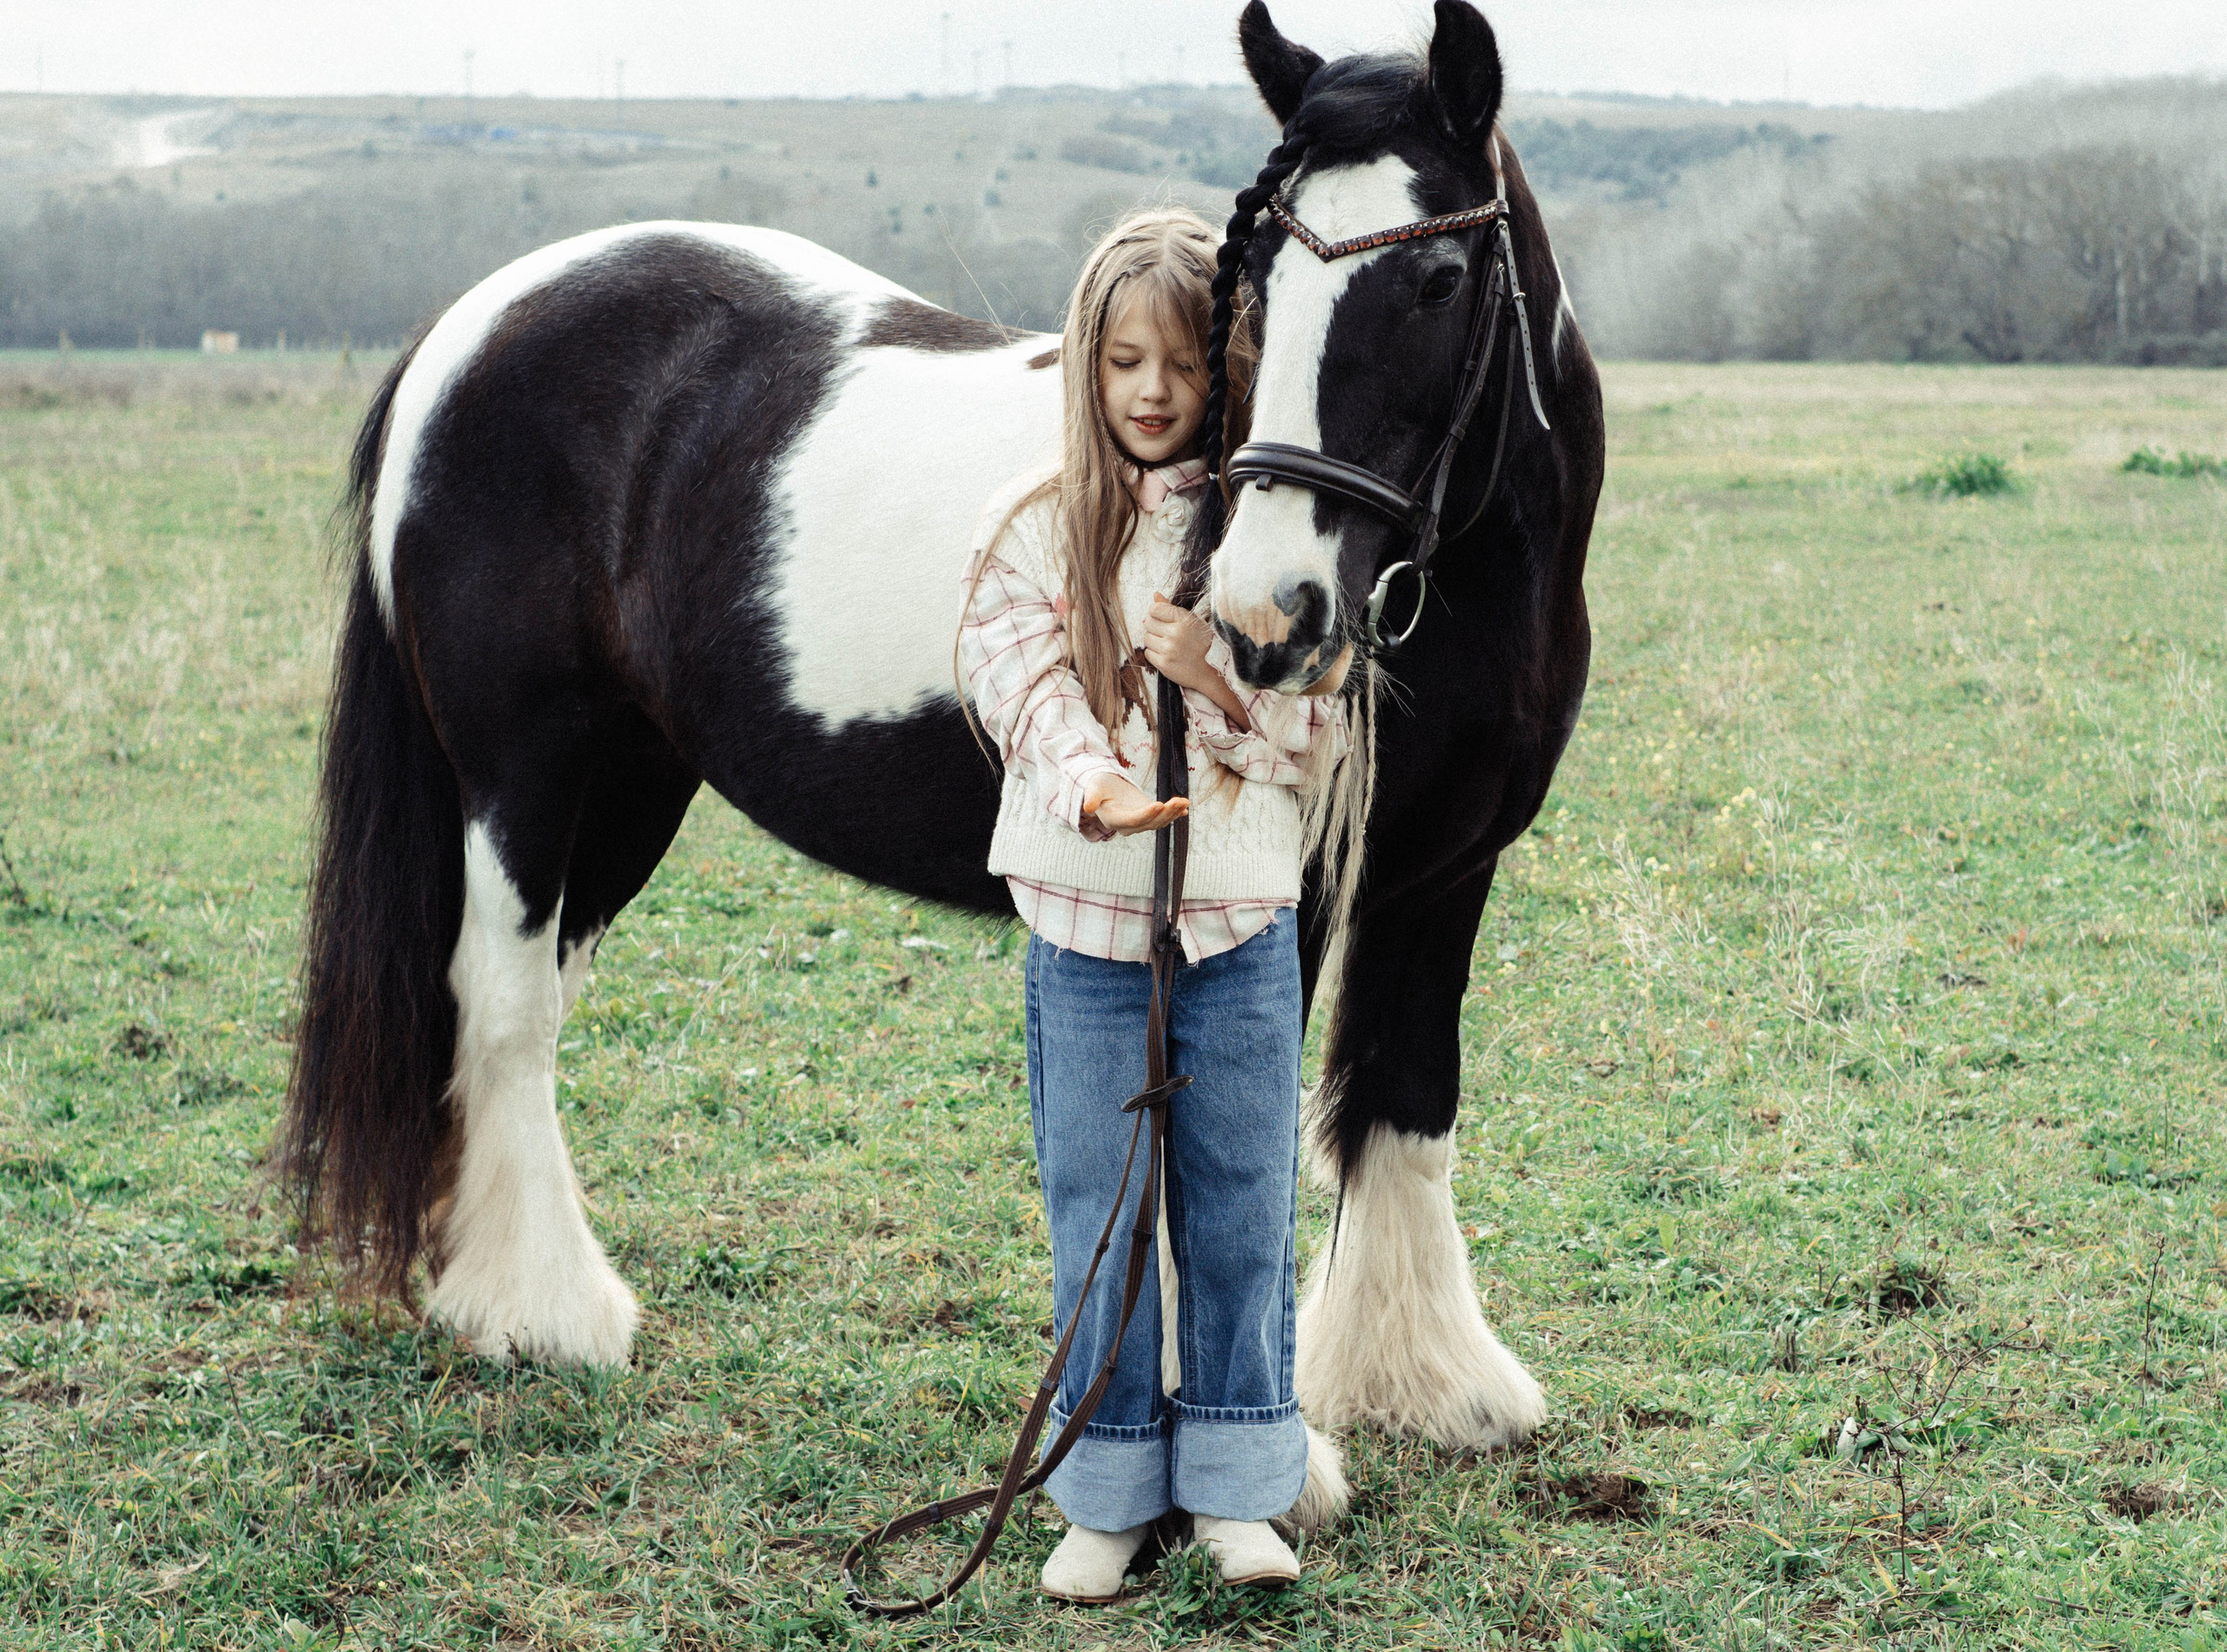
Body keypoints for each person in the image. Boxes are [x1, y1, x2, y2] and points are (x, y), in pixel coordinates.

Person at [957, 207, 1345, 1604]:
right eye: (1123, 359)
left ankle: (1244, 1486)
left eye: (1181, 361)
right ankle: (1108, 1490)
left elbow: (1310, 738)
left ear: (1223, 372)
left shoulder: (1265, 543)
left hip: (1239, 931)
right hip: (1085, 929)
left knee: (1239, 1206)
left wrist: (1215, 681)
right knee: (1100, 1216)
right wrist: (1090, 782)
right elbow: (1017, 676)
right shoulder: (1039, 529)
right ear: (1088, 366)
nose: (1153, 390)